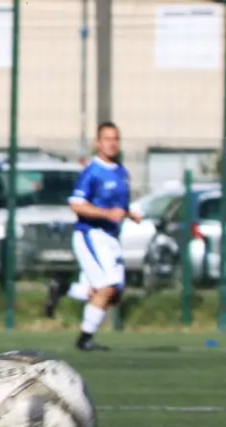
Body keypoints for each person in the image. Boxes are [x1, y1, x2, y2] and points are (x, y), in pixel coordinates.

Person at [56, 121, 140, 351]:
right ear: (97, 142)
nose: (112, 143)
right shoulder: (92, 172)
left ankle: (64, 289)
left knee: (113, 295)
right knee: (106, 288)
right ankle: (85, 339)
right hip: (91, 234)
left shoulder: (122, 172)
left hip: (111, 238)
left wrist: (129, 214)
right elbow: (76, 204)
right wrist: (105, 213)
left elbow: (118, 208)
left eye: (116, 139)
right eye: (107, 138)